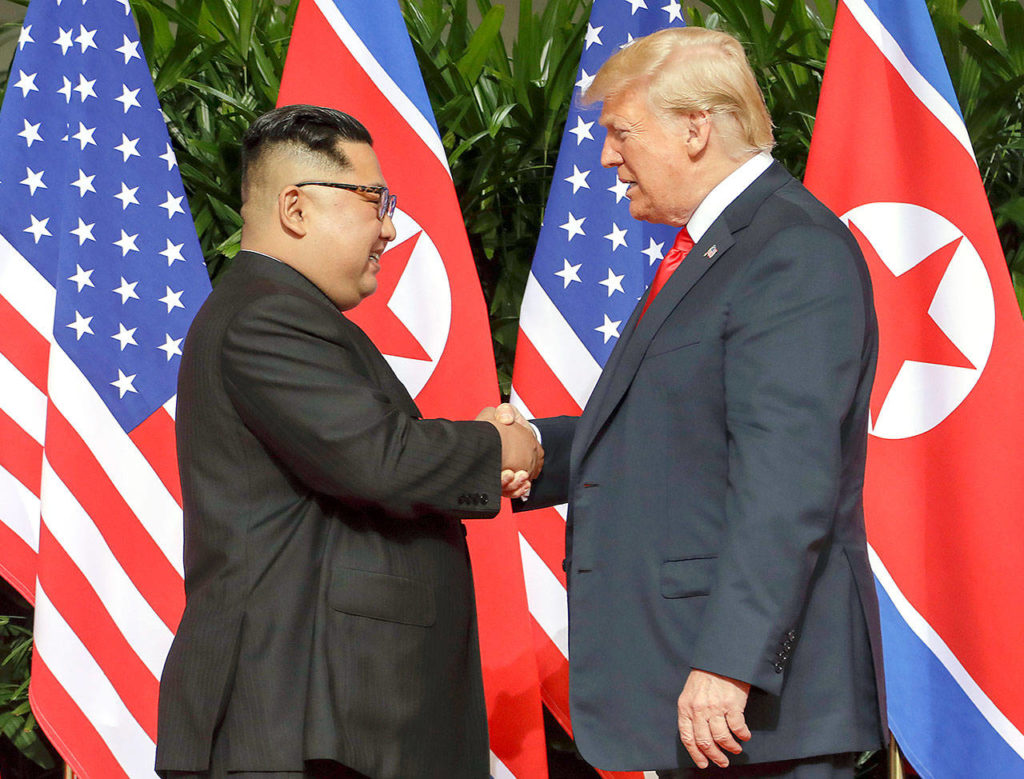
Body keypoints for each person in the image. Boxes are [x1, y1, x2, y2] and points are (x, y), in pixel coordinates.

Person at [509, 26, 886, 777]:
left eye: (621, 132)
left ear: (695, 128)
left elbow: (786, 480)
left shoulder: (789, 250)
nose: (609, 157)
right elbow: (678, 428)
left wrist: (729, 661)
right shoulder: (719, 249)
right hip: (708, 702)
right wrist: (536, 452)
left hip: (756, 709)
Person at [155, 104, 541, 779]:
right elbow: (380, 460)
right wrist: (495, 446)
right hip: (293, 722)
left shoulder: (280, 311)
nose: (390, 227)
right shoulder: (266, 316)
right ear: (297, 209)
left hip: (324, 721)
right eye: (374, 200)